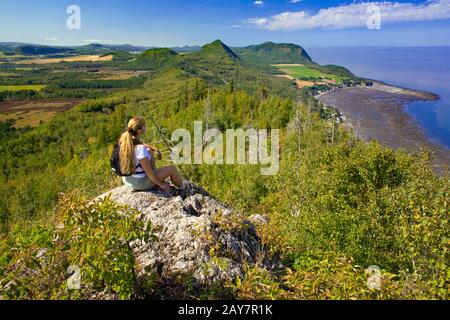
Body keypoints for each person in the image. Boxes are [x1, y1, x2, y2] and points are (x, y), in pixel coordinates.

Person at [118, 116, 184, 192]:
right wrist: (161, 184)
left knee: (149, 151)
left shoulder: (125, 142)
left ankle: (155, 176)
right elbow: (148, 171)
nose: (146, 126)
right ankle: (183, 188)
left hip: (128, 179)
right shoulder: (140, 149)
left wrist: (154, 149)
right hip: (140, 183)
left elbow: (142, 144)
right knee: (172, 169)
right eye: (144, 125)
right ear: (139, 130)